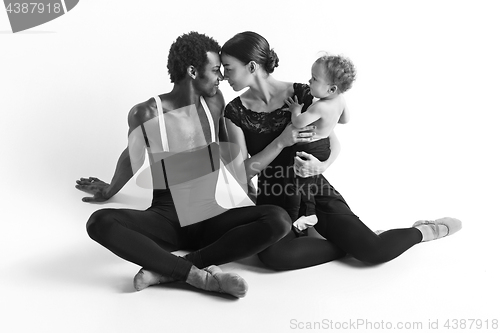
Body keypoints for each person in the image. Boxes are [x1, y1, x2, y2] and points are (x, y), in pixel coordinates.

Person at [221, 31, 462, 270]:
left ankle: (425, 230)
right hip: (274, 196)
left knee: (374, 252)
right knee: (274, 257)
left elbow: (332, 141)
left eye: (228, 68)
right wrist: (281, 142)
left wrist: (323, 166)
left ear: (251, 66)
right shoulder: (235, 112)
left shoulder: (303, 93)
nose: (223, 76)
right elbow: (242, 174)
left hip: (313, 187)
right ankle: (346, 244)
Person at [76, 32, 291, 297]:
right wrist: (110, 190)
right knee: (100, 222)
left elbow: (230, 155)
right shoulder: (146, 112)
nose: (221, 77)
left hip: (212, 218)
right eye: (215, 70)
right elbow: (132, 156)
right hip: (167, 221)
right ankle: (199, 277)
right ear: (192, 71)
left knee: (278, 219)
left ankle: (173, 270)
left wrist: (251, 195)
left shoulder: (214, 103)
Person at [283, 55, 355, 235]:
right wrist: (327, 123)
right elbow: (345, 119)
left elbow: (298, 123)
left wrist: (296, 110)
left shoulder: (319, 107)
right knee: (306, 180)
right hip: (324, 147)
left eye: (314, 79)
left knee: (298, 181)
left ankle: (308, 213)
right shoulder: (340, 101)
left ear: (331, 89)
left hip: (309, 147)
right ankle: (307, 214)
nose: (309, 80)